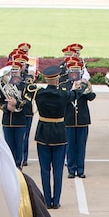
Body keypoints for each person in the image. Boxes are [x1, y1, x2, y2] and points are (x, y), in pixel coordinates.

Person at [33, 65, 69, 209]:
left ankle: (47, 200)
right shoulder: (63, 94)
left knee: (44, 169)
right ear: (57, 80)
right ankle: (56, 201)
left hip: (43, 133)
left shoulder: (39, 94)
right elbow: (77, 93)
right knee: (58, 170)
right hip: (59, 133)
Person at [0, 62, 34, 168]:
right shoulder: (3, 85)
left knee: (19, 146)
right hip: (7, 121)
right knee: (8, 146)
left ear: (20, 71)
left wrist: (16, 103)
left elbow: (28, 102)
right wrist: (7, 107)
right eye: (11, 71)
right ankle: (9, 167)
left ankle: (18, 167)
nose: (13, 73)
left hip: (20, 121)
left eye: (15, 71)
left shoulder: (24, 85)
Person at [64, 58, 96, 179]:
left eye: (77, 70)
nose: (75, 73)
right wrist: (74, 89)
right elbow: (64, 97)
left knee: (81, 147)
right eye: (73, 70)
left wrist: (84, 86)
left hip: (82, 120)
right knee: (70, 146)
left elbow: (92, 96)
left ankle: (81, 169)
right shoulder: (64, 84)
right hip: (69, 120)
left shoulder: (84, 84)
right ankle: (71, 170)